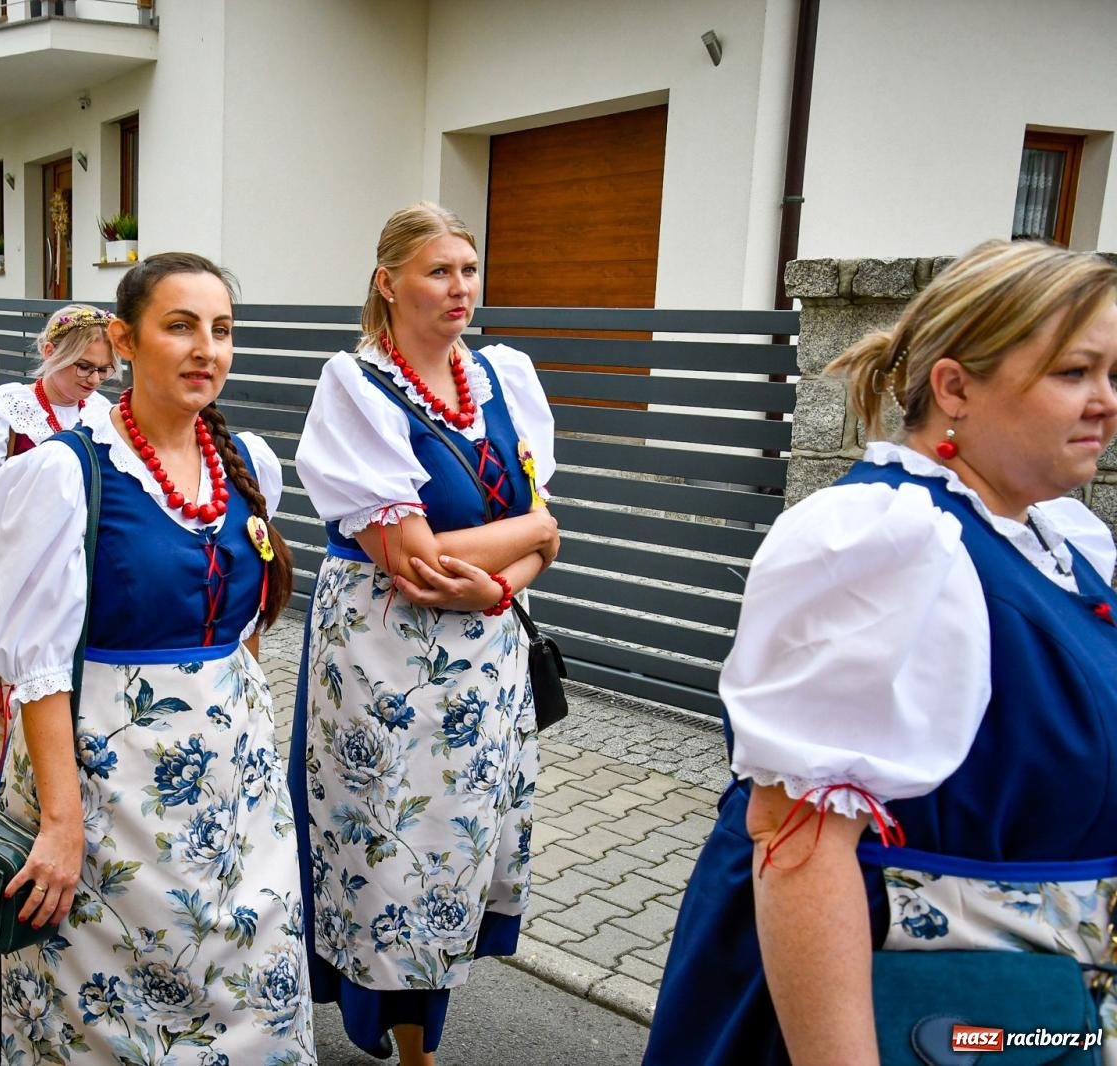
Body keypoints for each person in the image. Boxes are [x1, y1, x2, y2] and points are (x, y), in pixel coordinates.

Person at [644, 239, 1117, 1065]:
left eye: (1113, 375)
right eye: (1074, 373)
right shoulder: (890, 548)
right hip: (907, 1005)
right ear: (956, 386)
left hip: (1030, 1008)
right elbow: (798, 846)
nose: (1105, 402)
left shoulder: (1060, 542)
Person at [0, 251, 316, 1061]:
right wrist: (58, 825)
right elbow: (37, 666)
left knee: (251, 993)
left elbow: (247, 625)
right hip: (106, 792)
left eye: (222, 330)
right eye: (181, 326)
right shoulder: (66, 474)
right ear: (125, 341)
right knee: (111, 1016)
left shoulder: (247, 465)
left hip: (236, 797)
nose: (208, 348)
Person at [289, 202, 560, 1065]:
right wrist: (527, 542)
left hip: (486, 656)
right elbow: (407, 560)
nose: (460, 288)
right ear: (388, 281)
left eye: (469, 271)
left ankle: (417, 1037)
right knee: (391, 852)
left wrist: (505, 574)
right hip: (385, 663)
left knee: (460, 846)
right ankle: (407, 1041)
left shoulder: (505, 378)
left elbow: (547, 530)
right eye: (439, 271)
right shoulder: (355, 387)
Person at [0, 303, 116, 795]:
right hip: (5, 580)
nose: (94, 379)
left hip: (74, 583)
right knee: (0, 705)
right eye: (84, 366)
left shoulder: (103, 417)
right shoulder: (4, 412)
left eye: (104, 369)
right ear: (49, 351)